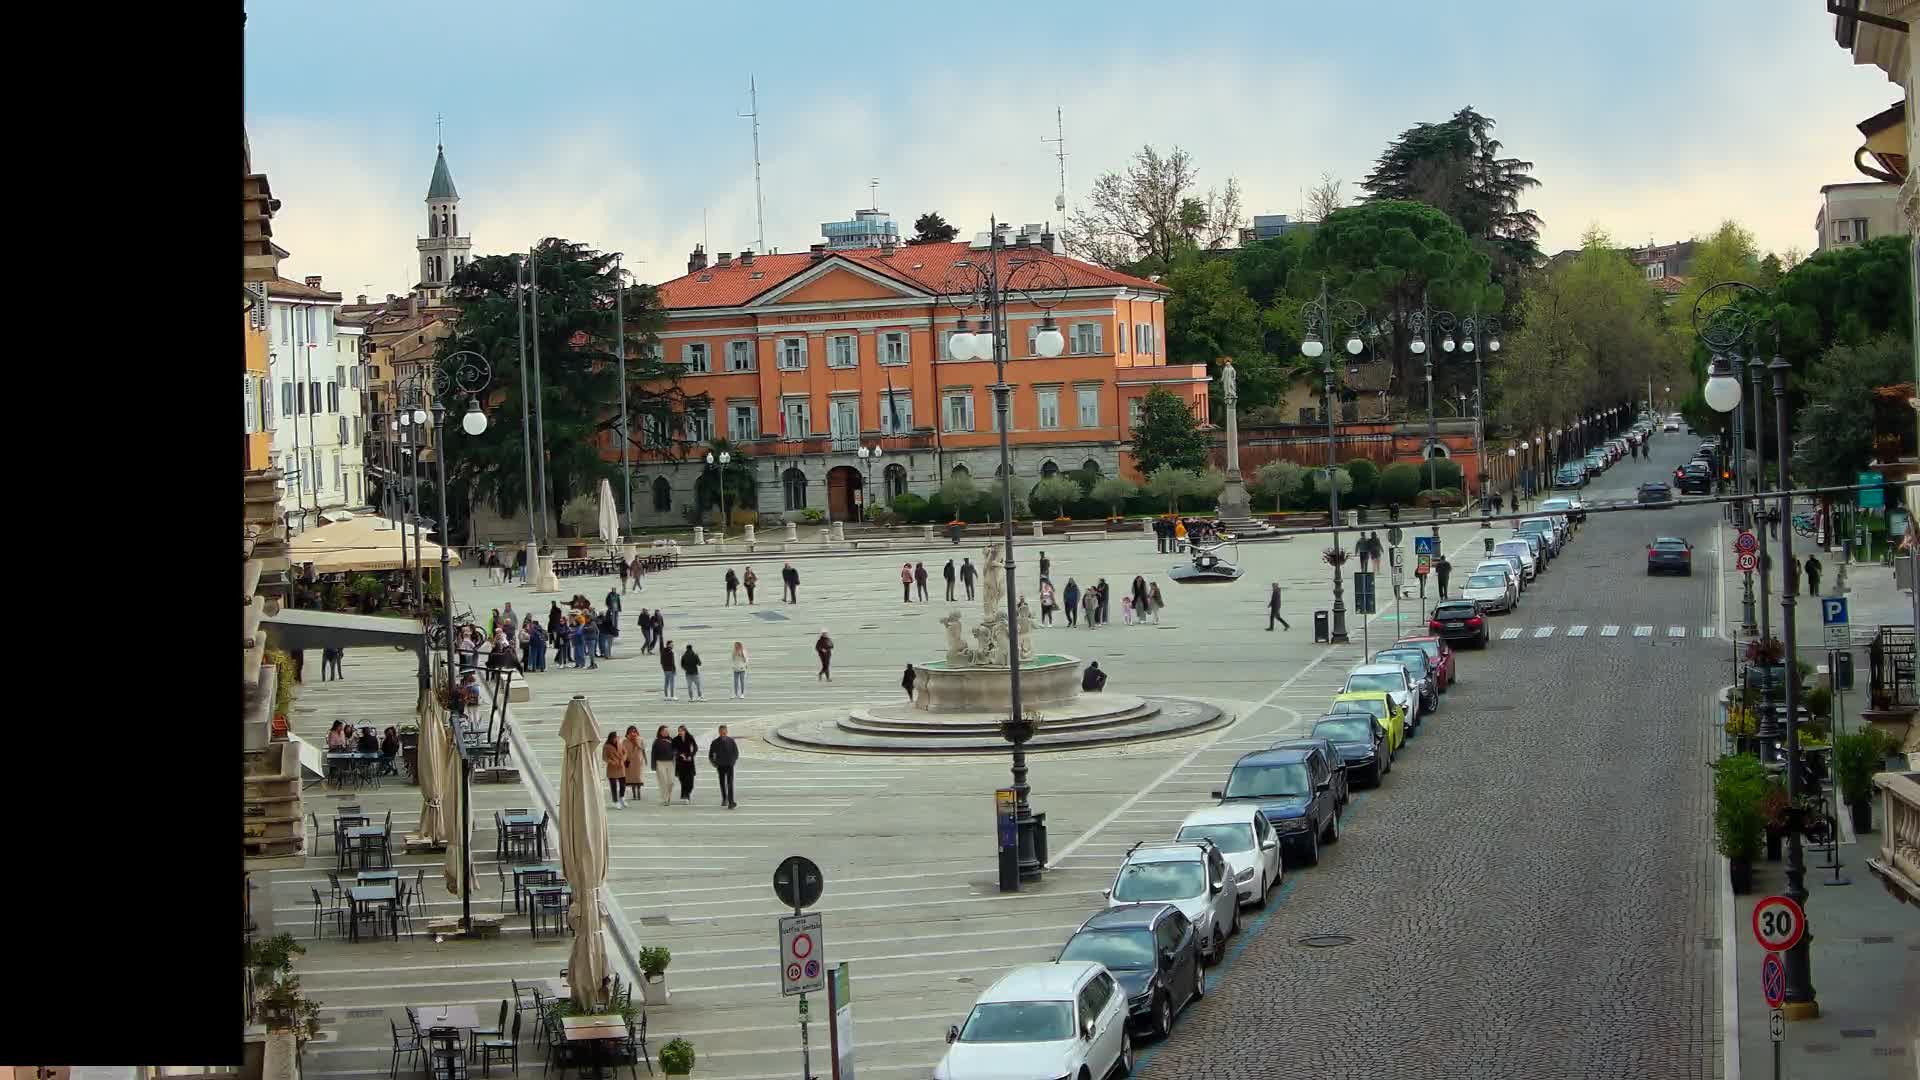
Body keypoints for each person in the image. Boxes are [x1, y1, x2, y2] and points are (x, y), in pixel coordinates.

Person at [710, 724, 740, 809]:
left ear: (727, 732)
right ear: (719, 732)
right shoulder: (715, 742)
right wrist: (715, 763)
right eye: (721, 732)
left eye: (724, 732)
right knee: (722, 782)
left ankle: (731, 802)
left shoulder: (731, 741)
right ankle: (724, 798)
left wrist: (733, 761)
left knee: (730, 783)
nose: (723, 733)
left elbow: (736, 752)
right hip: (720, 765)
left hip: (730, 765)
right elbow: (711, 755)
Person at [672, 724, 699, 803]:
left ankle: (687, 793)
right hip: (680, 762)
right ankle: (685, 796)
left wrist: (691, 755)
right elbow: (673, 749)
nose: (680, 732)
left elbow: (695, 748)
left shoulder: (690, 738)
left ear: (685, 731)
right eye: (679, 731)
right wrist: (680, 755)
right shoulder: (675, 739)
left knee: (690, 781)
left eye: (682, 731)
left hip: (689, 762)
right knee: (683, 780)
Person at [621, 725, 647, 805]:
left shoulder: (640, 739)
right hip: (629, 761)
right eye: (631, 732)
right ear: (628, 732)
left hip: (638, 761)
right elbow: (622, 751)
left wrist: (645, 759)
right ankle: (634, 794)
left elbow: (643, 749)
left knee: (638, 777)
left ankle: (638, 793)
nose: (633, 733)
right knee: (631, 778)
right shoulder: (625, 741)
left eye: (634, 731)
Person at [603, 732, 629, 809]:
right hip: (612, 768)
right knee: (613, 785)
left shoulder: (620, 744)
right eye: (614, 738)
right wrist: (612, 762)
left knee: (623, 784)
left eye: (616, 737)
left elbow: (625, 752)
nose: (615, 739)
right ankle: (615, 801)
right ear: (611, 738)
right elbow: (604, 757)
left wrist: (623, 759)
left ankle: (622, 797)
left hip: (621, 767)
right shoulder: (606, 746)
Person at [651, 725, 675, 806]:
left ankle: (668, 796)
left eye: (668, 731)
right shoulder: (657, 741)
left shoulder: (671, 740)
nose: (667, 732)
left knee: (671, 782)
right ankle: (665, 799)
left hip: (670, 763)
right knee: (663, 782)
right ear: (661, 732)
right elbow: (653, 754)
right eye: (665, 731)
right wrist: (653, 765)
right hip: (660, 763)